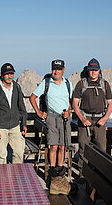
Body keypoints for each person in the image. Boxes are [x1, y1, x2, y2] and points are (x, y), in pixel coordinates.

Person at [29, 59, 73, 195]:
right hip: (52, 117)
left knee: (63, 146)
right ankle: (53, 174)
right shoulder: (46, 83)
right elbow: (32, 97)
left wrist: (69, 112)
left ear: (63, 71)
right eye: (54, 69)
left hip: (65, 118)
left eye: (59, 69)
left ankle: (59, 173)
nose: (56, 72)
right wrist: (38, 112)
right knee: (53, 146)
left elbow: (71, 103)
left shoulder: (68, 84)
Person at [72, 58, 112, 177]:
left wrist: (105, 118)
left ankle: (101, 172)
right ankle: (82, 173)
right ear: (88, 70)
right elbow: (75, 103)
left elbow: (110, 103)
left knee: (101, 148)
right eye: (91, 70)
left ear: (99, 70)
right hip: (85, 119)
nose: (93, 72)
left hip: (100, 119)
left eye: (95, 70)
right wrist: (83, 119)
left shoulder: (105, 84)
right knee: (83, 147)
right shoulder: (81, 84)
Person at [0, 63, 27, 164]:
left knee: (19, 152)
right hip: (0, 126)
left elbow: (22, 107)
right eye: (7, 74)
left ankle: (16, 175)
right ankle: (2, 177)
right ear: (2, 75)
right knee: (1, 154)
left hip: (15, 126)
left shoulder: (16, 87)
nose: (9, 76)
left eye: (11, 73)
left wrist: (24, 123)